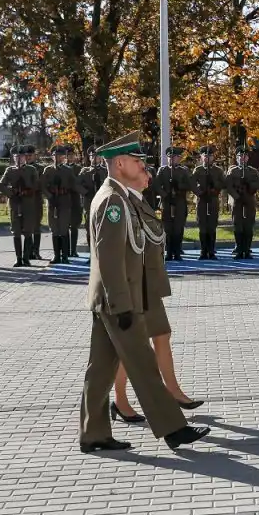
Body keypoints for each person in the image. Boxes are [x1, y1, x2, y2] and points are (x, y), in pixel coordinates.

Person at [79, 129, 210, 453]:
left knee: (101, 370)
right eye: (137, 161)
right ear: (119, 163)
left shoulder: (120, 197)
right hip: (118, 300)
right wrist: (122, 304)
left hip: (112, 298)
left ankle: (93, 433)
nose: (143, 167)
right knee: (143, 364)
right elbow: (109, 258)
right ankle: (173, 428)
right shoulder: (113, 201)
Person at [110, 166, 205, 422]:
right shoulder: (121, 202)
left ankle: (173, 390)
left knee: (162, 335)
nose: (149, 176)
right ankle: (120, 399)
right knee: (129, 346)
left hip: (148, 284)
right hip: (133, 285)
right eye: (143, 171)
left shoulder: (140, 201)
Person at [0, 147, 39, 267]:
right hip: (15, 203)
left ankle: (26, 258)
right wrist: (11, 192)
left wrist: (28, 191)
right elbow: (1, 185)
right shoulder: (10, 170)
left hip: (27, 204)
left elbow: (37, 184)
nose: (19, 159)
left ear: (25, 157)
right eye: (16, 157)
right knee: (16, 231)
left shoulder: (31, 169)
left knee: (28, 231)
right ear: (14, 158)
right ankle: (18, 258)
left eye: (21, 157)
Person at [154, 146, 193, 261]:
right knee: (167, 229)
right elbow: (156, 185)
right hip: (167, 203)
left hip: (179, 203)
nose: (172, 159)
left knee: (178, 228)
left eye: (174, 157)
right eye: (170, 157)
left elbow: (190, 185)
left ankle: (177, 252)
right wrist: (165, 194)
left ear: (179, 158)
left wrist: (179, 187)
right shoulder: (163, 170)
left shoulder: (184, 170)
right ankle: (169, 252)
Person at [225, 147, 259, 259]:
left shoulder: (253, 171)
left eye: (244, 156)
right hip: (237, 201)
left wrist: (250, 185)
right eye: (240, 156)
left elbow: (258, 184)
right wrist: (236, 195)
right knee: (238, 225)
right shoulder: (232, 171)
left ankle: (247, 250)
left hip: (249, 200)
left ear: (247, 158)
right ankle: (239, 249)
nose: (242, 158)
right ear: (237, 158)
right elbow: (228, 186)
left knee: (248, 225)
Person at [192, 145, 225, 260]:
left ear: (213, 157)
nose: (207, 158)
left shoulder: (218, 170)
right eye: (205, 156)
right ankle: (203, 251)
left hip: (213, 200)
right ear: (201, 157)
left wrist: (215, 187)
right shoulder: (198, 170)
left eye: (209, 156)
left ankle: (211, 251)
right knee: (202, 226)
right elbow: (192, 183)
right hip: (201, 200)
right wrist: (199, 192)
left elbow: (223, 183)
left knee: (211, 226)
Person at [79, 148, 106, 248]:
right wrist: (86, 192)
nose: (95, 158)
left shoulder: (105, 171)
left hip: (103, 202)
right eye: (93, 156)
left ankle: (102, 250)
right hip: (89, 202)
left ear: (101, 158)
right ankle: (91, 250)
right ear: (90, 158)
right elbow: (77, 184)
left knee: (102, 226)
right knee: (89, 226)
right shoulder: (85, 171)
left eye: (97, 156)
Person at [65, 147, 86, 257]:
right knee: (64, 226)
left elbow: (80, 183)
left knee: (74, 226)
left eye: (72, 155)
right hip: (64, 199)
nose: (71, 157)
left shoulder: (79, 169)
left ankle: (73, 250)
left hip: (75, 199)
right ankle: (66, 250)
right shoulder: (62, 168)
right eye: (69, 155)